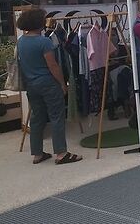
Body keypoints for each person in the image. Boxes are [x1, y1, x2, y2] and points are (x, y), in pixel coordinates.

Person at [16, 9, 82, 165]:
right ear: (39, 23)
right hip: (47, 83)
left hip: (31, 85)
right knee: (56, 117)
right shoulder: (44, 42)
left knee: (37, 118)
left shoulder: (21, 41)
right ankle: (61, 153)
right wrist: (62, 84)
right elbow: (52, 65)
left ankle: (37, 153)